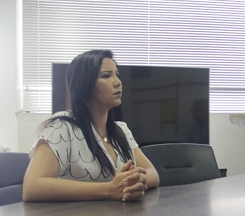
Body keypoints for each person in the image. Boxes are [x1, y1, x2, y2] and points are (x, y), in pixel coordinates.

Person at [23, 50, 160, 202]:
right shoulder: (61, 127)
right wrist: (109, 189)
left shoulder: (121, 129)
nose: (118, 82)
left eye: (117, 74)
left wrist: (134, 181)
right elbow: (32, 186)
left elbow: (152, 173)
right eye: (106, 76)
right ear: (85, 84)